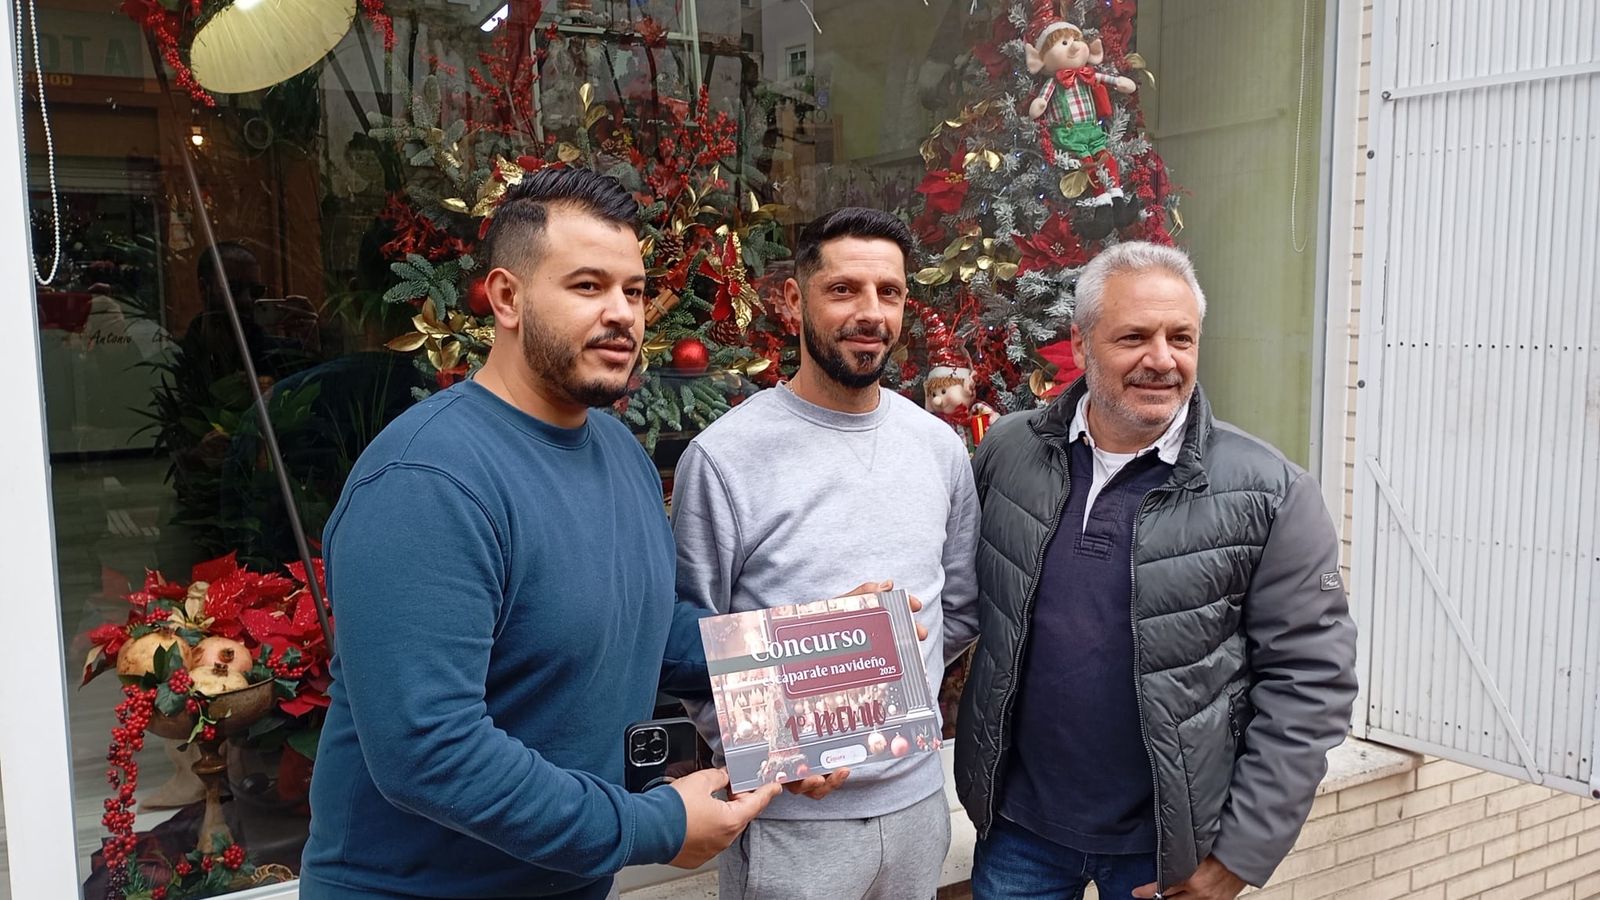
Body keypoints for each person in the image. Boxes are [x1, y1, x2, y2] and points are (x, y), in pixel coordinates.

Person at [299, 167, 778, 900]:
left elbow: (645, 629)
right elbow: (430, 752)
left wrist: (815, 658)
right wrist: (650, 826)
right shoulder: (426, 481)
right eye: (588, 286)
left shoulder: (618, 451)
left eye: (636, 291)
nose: (622, 313)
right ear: (507, 298)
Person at [955, 242, 1358, 900]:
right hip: (1020, 830)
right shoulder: (1010, 451)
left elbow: (1311, 683)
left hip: (1166, 853)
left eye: (1181, 337)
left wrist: (1240, 856)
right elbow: (955, 601)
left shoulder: (1269, 493)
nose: (1162, 360)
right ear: (1081, 346)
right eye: (1134, 337)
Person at [671, 207, 981, 900]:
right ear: (792, 301)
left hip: (916, 806)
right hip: (791, 816)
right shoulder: (724, 459)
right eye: (844, 290)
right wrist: (783, 741)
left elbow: (956, 610)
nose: (870, 313)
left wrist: (889, 687)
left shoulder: (938, 448)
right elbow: (690, 641)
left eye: (889, 293)